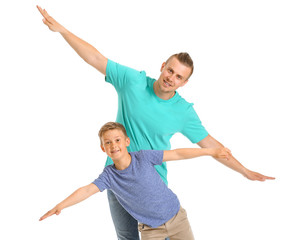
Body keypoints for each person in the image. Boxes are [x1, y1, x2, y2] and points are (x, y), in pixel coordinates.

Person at [37, 6, 275, 240]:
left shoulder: (183, 112)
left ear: (184, 82)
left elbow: (210, 144)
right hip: (118, 180)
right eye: (170, 71)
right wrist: (62, 31)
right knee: (126, 236)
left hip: (153, 182)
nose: (171, 78)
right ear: (163, 67)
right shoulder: (133, 82)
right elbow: (96, 58)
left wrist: (244, 171)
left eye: (179, 76)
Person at [40, 122, 234, 239]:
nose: (113, 145)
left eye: (117, 140)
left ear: (126, 142)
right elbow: (86, 190)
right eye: (107, 142)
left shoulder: (143, 157)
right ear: (103, 149)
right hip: (151, 230)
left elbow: (177, 153)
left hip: (176, 218)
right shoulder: (109, 175)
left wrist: (211, 151)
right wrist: (60, 205)